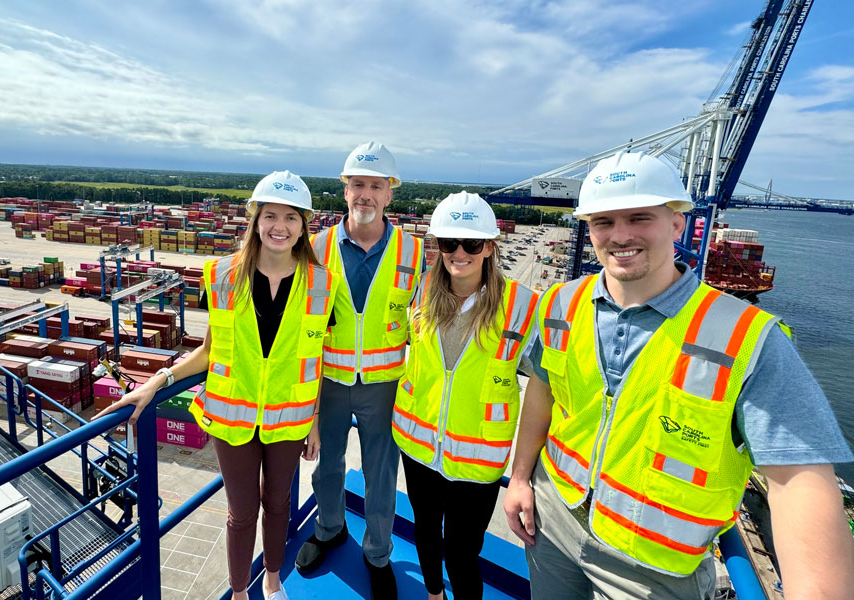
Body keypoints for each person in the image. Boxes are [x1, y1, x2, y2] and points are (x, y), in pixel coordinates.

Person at [502, 151, 854, 599]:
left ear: (676, 224)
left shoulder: (747, 337)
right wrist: (519, 479)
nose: (620, 235)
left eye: (639, 217)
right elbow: (543, 391)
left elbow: (798, 481)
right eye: (603, 221)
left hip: (656, 566)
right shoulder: (559, 302)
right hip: (553, 521)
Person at [95, 170, 339, 600]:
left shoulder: (323, 283)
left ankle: (272, 577)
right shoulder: (223, 275)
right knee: (242, 513)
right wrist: (158, 381)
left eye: (290, 218)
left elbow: (315, 359)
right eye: (269, 216)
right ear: (254, 219)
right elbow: (209, 352)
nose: (279, 226)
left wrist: (316, 419)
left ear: (304, 225)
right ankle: (240, 591)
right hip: (232, 419)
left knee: (278, 504)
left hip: (291, 418)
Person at [392, 192, 538, 599]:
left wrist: (525, 473)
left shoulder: (523, 308)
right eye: (448, 243)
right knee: (424, 529)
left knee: (461, 551)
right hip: (418, 445)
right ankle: (434, 595)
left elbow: (552, 385)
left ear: (490, 247)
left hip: (478, 457)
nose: (459, 253)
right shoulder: (420, 293)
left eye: (471, 243)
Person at [295, 141, 424, 599]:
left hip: (386, 385)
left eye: (376, 185)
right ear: (344, 191)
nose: (365, 194)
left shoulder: (416, 252)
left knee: (381, 476)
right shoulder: (316, 247)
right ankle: (329, 529)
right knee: (325, 466)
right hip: (328, 382)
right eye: (357, 185)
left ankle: (378, 554)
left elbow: (427, 319)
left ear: (390, 194)